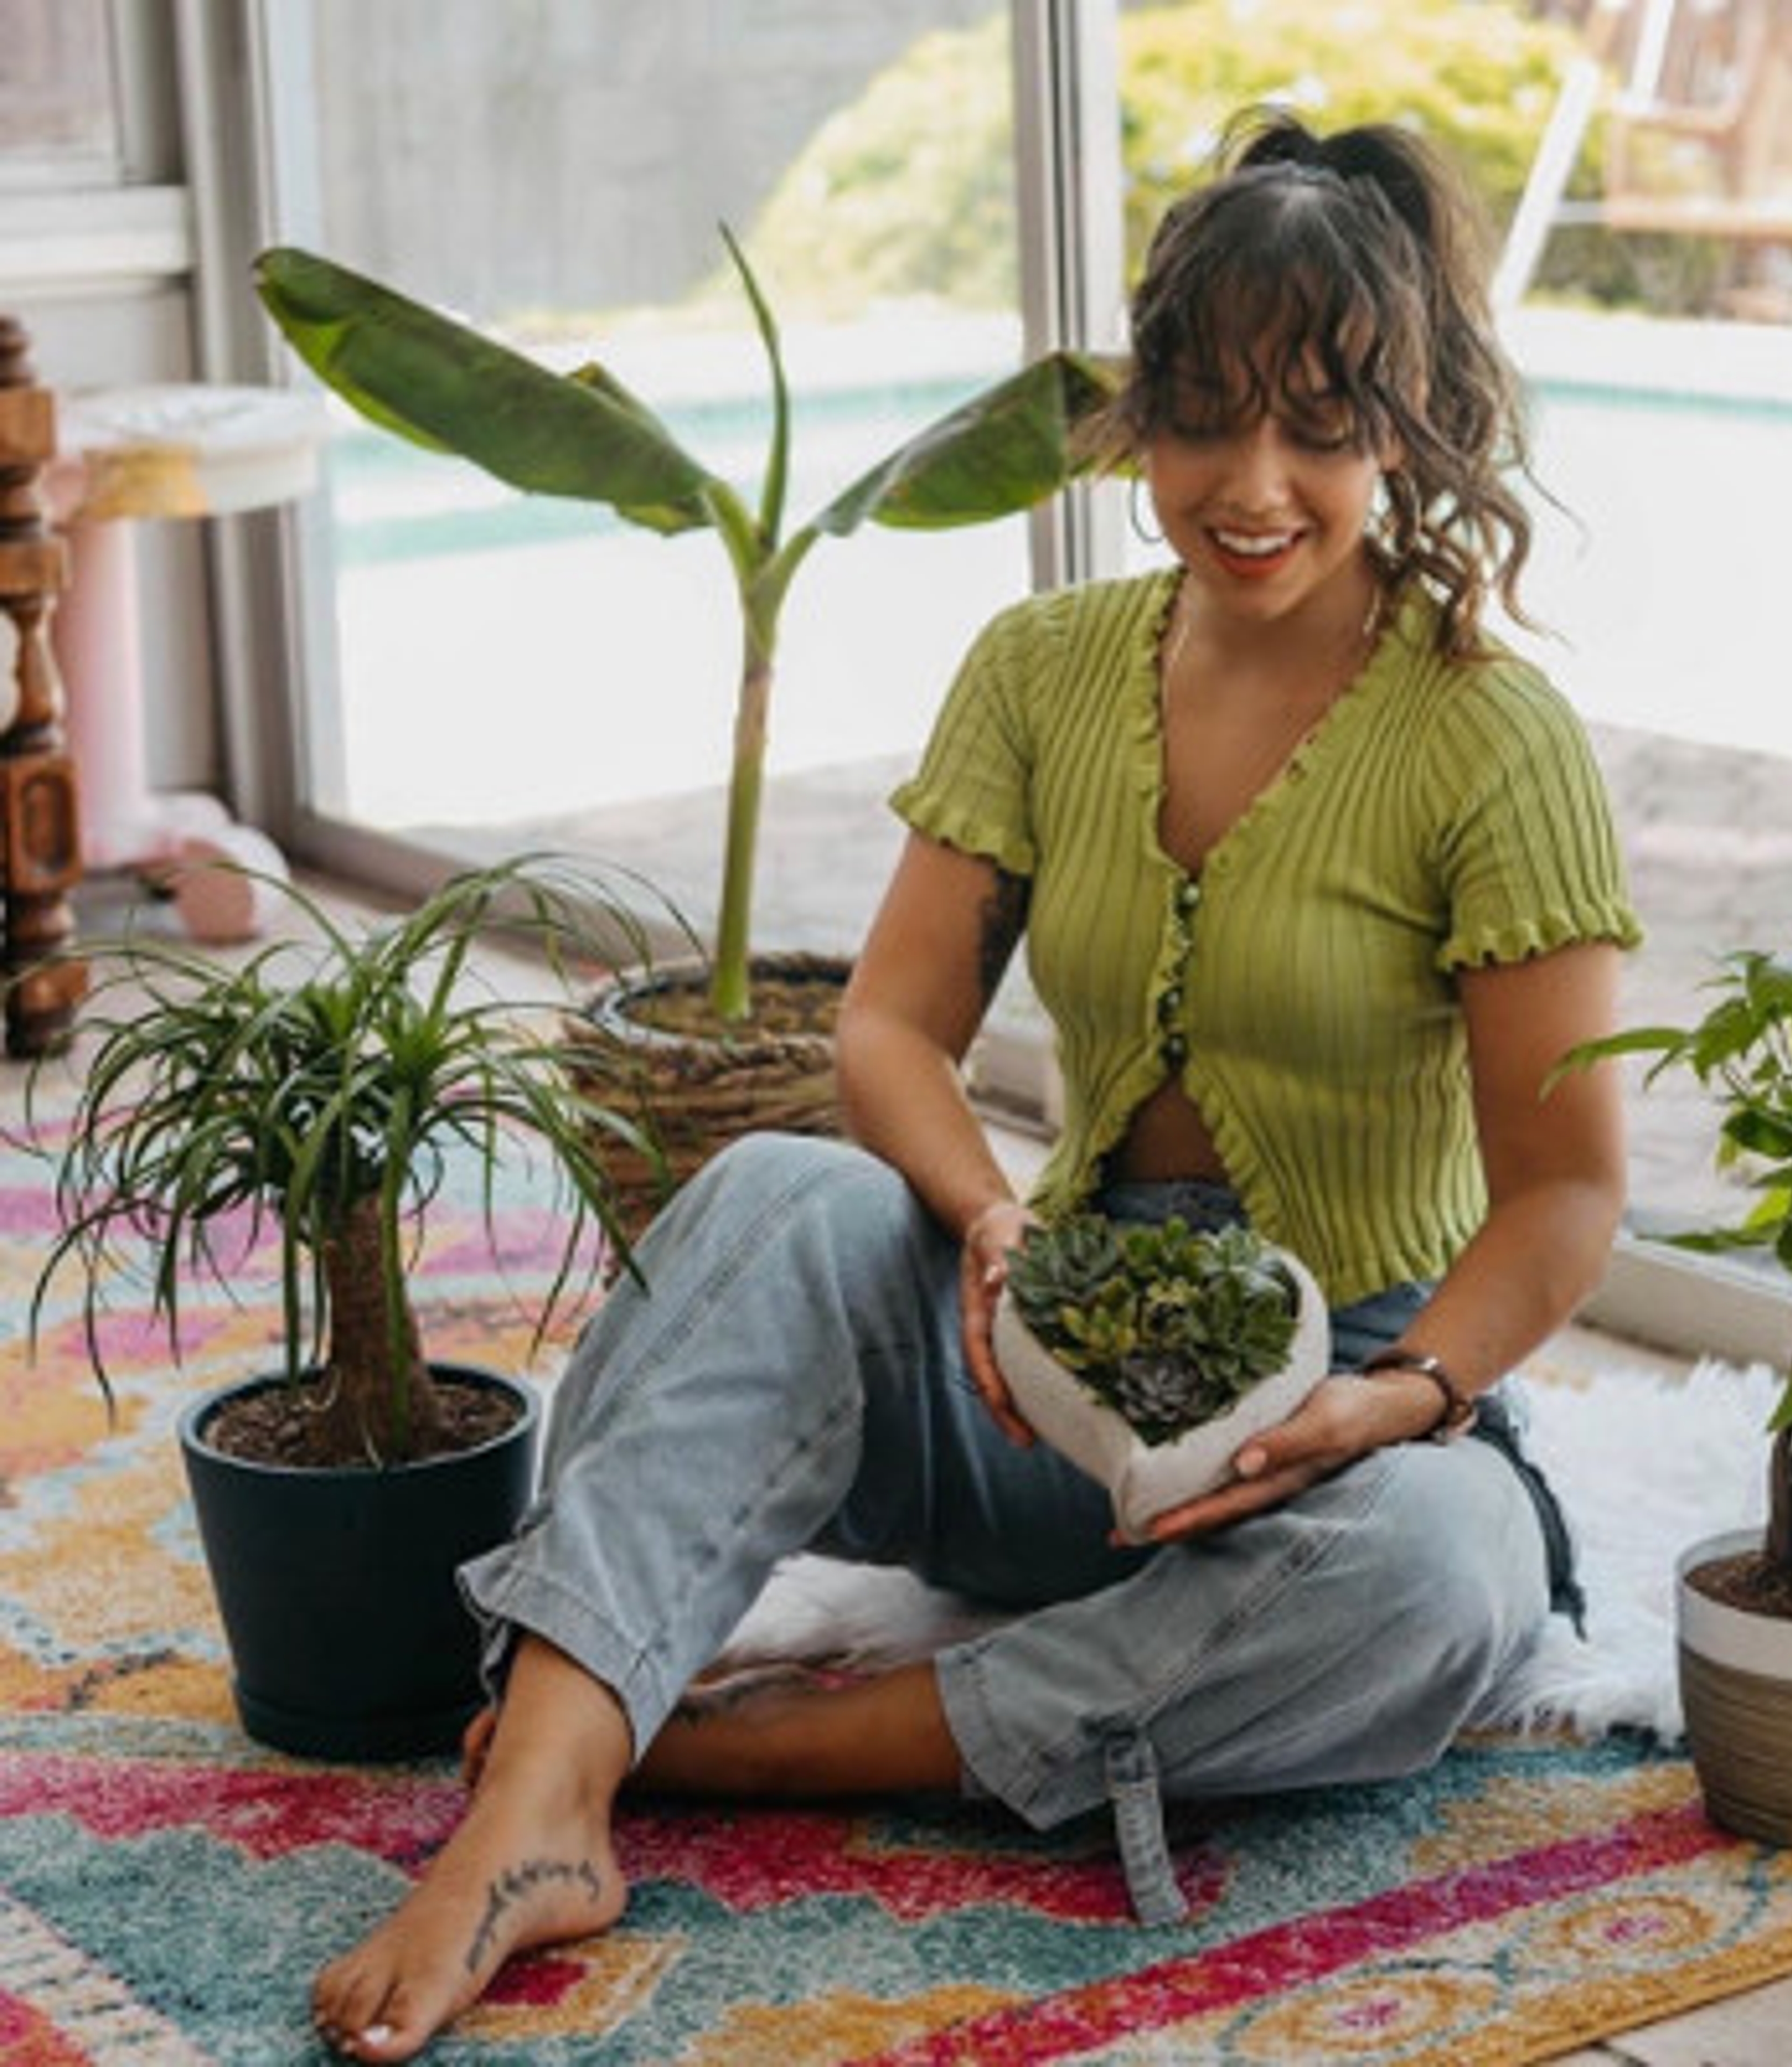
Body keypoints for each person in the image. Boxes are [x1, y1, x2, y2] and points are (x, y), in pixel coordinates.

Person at [311, 107, 1640, 2062]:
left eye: (1318, 429)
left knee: (1453, 1579)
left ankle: (746, 1751)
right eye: (1205, 420)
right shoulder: (1043, 668)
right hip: (1036, 1382)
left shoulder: (1494, 737)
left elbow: (1569, 1190)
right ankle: (537, 1807)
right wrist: (992, 1222)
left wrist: (1401, 1399)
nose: (1252, 486)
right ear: (1138, 418)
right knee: (777, 1199)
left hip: (1336, 1433)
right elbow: (888, 1031)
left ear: (1407, 427)